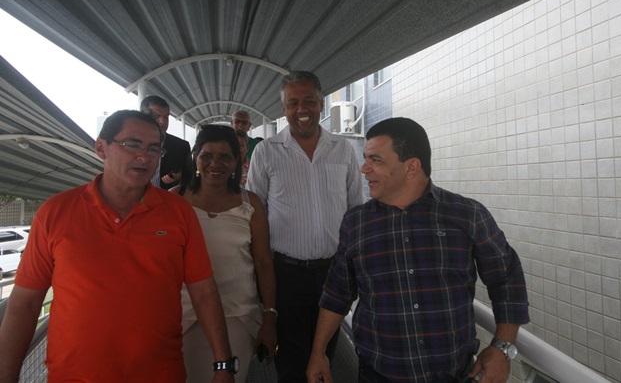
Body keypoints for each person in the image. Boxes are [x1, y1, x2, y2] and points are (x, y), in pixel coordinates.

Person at [0, 110, 236, 383]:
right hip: (73, 376)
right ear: (102, 148)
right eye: (132, 144)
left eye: (154, 149)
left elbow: (204, 291)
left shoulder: (179, 212)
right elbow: (25, 303)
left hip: (160, 374)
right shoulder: (55, 213)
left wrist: (223, 365)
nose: (144, 157)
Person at [307, 117, 530, 383]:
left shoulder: (467, 215)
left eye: (375, 160)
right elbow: (337, 294)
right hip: (377, 375)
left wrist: (502, 348)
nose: (363, 169)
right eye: (365, 158)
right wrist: (318, 352)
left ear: (411, 167)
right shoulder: (356, 223)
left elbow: (506, 278)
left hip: (456, 375)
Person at [246, 71, 364, 382]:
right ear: (283, 108)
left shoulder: (343, 149)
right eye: (293, 103)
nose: (301, 109)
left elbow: (356, 212)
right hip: (285, 275)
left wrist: (355, 269)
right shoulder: (266, 151)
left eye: (309, 101)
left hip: (334, 274)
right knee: (290, 361)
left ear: (321, 104)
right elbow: (254, 216)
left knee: (326, 355)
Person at [171, 124, 277, 382]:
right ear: (196, 157)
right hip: (183, 315)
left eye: (225, 157)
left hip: (237, 315)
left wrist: (269, 317)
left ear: (237, 161)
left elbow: (263, 262)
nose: (215, 164)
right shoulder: (175, 200)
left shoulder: (250, 203)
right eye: (207, 155)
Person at [141, 95, 192, 189]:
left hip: (167, 196)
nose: (163, 121)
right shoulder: (129, 144)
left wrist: (177, 181)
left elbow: (190, 179)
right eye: (156, 116)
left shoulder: (181, 147)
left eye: (166, 117)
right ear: (143, 117)